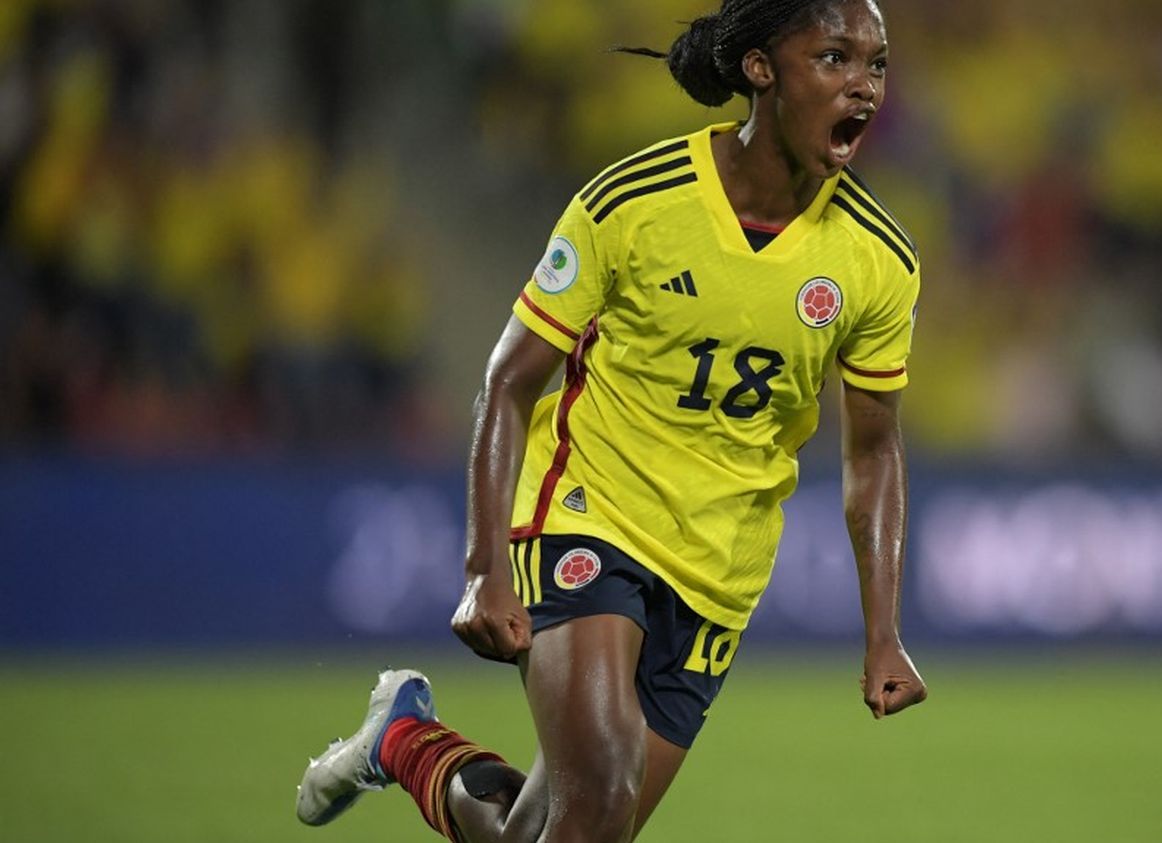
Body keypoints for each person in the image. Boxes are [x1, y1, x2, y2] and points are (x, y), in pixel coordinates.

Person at [296, 1, 925, 839]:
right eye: (835, 58)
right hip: (590, 508)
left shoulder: (879, 260)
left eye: (876, 64)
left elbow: (874, 453)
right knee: (599, 791)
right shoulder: (636, 202)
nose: (863, 86)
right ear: (761, 69)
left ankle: (403, 737)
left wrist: (883, 633)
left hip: (717, 571)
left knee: (559, 827)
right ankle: (408, 735)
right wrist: (485, 565)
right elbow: (508, 381)